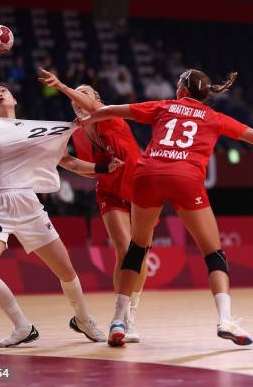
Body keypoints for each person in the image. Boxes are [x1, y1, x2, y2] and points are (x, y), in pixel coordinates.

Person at [79, 68, 253, 347]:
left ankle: (118, 321)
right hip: (186, 177)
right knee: (213, 254)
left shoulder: (164, 105)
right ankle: (225, 319)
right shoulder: (214, 117)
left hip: (148, 175)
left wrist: (91, 117)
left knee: (136, 249)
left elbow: (111, 110)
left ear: (183, 90)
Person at [0, 39, 118, 347]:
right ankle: (22, 326)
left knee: (65, 270)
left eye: (3, 91)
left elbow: (69, 162)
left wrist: (103, 170)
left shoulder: (35, 130)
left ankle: (83, 319)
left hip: (27, 204)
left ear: (13, 100)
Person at [38, 68, 148, 343]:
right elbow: (82, 167)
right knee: (124, 250)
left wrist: (61, 84)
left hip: (140, 191)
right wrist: (96, 167)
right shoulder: (77, 133)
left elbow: (91, 106)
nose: (78, 99)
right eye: (74, 97)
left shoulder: (109, 114)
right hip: (110, 193)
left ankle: (132, 307)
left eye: (84, 94)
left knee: (140, 254)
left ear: (96, 98)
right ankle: (124, 317)